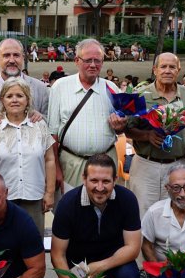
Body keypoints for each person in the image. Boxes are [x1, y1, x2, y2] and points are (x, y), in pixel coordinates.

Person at [51, 154, 141, 278]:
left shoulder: (128, 199)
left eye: (106, 181)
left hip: (113, 262)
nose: (100, 188)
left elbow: (133, 248)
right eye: (94, 180)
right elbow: (57, 255)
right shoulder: (67, 204)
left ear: (115, 180)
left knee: (130, 276)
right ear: (84, 179)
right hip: (78, 269)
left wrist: (99, 266)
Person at [125, 52, 185, 219]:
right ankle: (143, 246)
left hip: (178, 164)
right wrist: (147, 136)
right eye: (163, 66)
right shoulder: (141, 95)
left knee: (174, 215)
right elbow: (128, 129)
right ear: (155, 70)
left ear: (178, 70)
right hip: (146, 164)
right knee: (142, 215)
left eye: (172, 67)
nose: (167, 70)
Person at [0, 78, 56, 235]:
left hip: (34, 197)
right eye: (9, 96)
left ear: (27, 99)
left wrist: (49, 193)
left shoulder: (40, 125)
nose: (14, 100)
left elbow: (50, 160)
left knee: (33, 244)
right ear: (2, 100)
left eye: (20, 96)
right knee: (3, 245)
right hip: (2, 200)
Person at [48, 39, 126, 193]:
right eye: (88, 60)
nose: (93, 64)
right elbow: (52, 134)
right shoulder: (60, 87)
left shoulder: (112, 88)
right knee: (73, 212)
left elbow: (120, 129)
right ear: (77, 61)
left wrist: (120, 126)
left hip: (106, 164)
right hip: (72, 164)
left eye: (97, 60)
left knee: (105, 212)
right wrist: (55, 168)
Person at [0, 38, 49, 134]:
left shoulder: (40, 88)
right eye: (6, 55)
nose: (12, 60)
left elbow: (50, 121)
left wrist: (40, 118)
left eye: (16, 55)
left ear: (23, 58)